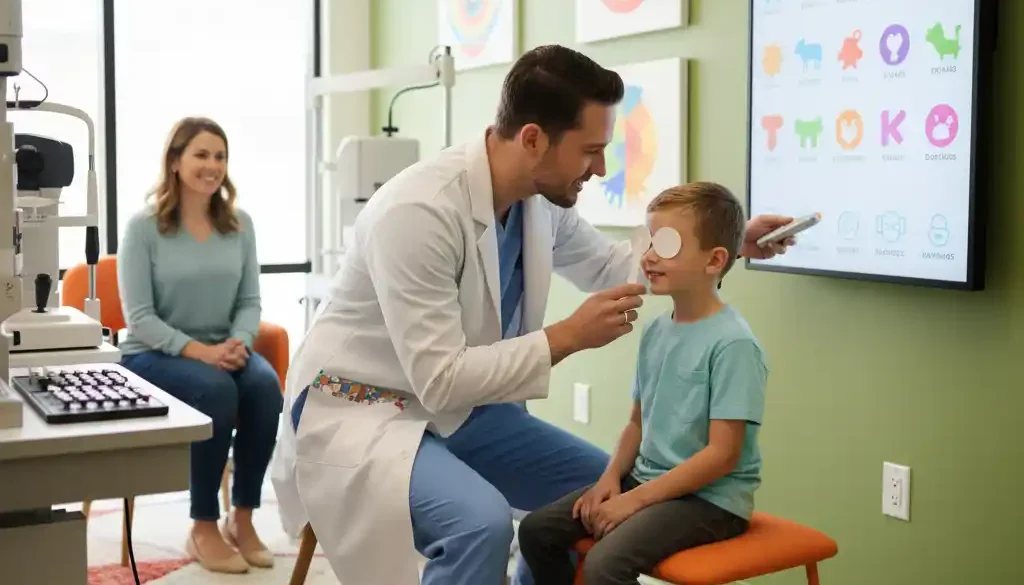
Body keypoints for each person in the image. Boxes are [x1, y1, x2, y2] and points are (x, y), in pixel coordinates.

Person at [271, 45, 793, 585]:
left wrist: (727, 242)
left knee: (607, 494)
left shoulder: (538, 203)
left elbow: (613, 265)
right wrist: (567, 336)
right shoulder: (418, 212)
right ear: (533, 140)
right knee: (480, 524)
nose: (601, 169)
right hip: (364, 405)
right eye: (591, 151)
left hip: (465, 409)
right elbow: (440, 379)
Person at [516, 182, 768, 585]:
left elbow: (722, 455)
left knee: (604, 564)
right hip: (647, 481)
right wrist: (610, 479)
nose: (648, 256)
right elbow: (636, 423)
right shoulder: (655, 331)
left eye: (666, 245)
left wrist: (634, 500)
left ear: (715, 260)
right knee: (536, 531)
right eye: (649, 241)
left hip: (710, 500)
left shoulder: (733, 344)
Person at [118, 117, 283, 574]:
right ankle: (203, 524)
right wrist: (202, 353)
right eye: (201, 155)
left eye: (220, 156)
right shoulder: (144, 227)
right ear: (175, 161)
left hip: (223, 350)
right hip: (152, 354)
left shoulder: (240, 225)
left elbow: (249, 301)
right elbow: (140, 319)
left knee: (265, 388)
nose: (213, 165)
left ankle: (242, 519)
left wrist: (238, 343)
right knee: (216, 390)